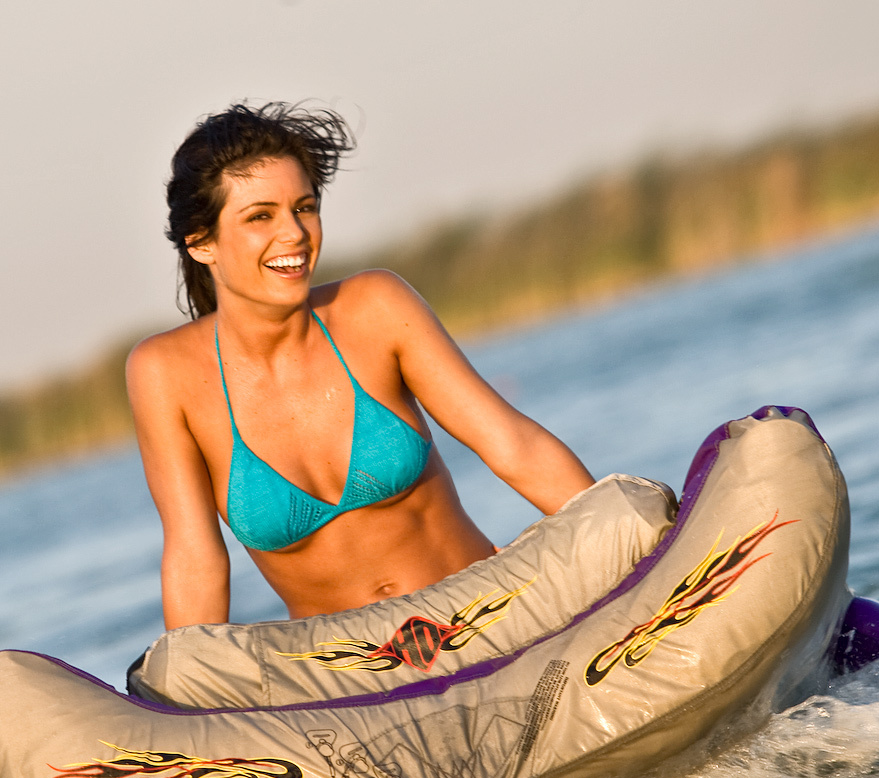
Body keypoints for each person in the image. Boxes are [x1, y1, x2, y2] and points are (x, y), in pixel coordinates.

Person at [127, 103, 595, 628]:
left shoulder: (374, 307)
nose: (295, 234)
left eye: (303, 208)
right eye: (261, 216)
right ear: (202, 243)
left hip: (484, 617)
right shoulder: (165, 373)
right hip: (349, 675)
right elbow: (196, 560)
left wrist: (624, 536)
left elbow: (512, 444)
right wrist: (179, 702)